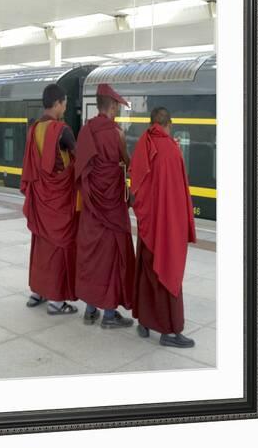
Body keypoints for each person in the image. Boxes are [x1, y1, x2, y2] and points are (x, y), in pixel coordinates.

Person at [129, 107, 196, 347]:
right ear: (168, 124)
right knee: (168, 273)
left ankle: (144, 323)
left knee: (147, 274)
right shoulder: (172, 150)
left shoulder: (142, 144)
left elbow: (134, 190)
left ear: (151, 123)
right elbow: (179, 195)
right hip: (166, 228)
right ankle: (169, 331)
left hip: (147, 227)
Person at [74, 83, 135, 329]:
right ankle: (109, 315)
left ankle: (90, 311)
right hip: (112, 208)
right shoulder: (116, 134)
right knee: (111, 258)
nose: (118, 112)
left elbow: (80, 170)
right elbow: (127, 162)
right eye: (117, 108)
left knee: (92, 257)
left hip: (91, 208)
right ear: (111, 107)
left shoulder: (86, 131)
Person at [20, 83, 79, 315]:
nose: (64, 108)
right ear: (57, 103)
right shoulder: (62, 130)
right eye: (64, 103)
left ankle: (38, 291)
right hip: (59, 200)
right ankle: (56, 300)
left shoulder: (34, 129)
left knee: (41, 244)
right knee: (59, 246)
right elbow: (80, 158)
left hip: (40, 198)